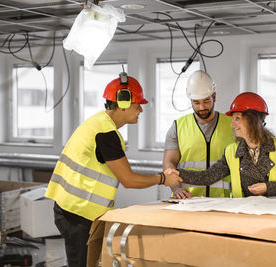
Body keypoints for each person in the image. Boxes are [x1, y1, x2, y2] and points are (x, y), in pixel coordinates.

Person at [45, 72, 182, 267]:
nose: (140, 110)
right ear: (124, 103)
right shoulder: (105, 133)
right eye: (137, 105)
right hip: (78, 214)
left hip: (73, 210)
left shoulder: (99, 123)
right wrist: (163, 179)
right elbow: (129, 180)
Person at [172, 92, 276, 199]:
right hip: (247, 218)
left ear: (252, 120)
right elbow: (208, 177)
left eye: (237, 118)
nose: (232, 124)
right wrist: (178, 173)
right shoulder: (232, 152)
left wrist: (268, 187)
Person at [163, 70, 234, 199]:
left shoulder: (233, 125)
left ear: (214, 96)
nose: (201, 107)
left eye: (206, 101)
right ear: (190, 100)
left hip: (223, 201)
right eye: (196, 102)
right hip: (187, 199)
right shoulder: (178, 127)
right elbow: (169, 163)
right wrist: (177, 189)